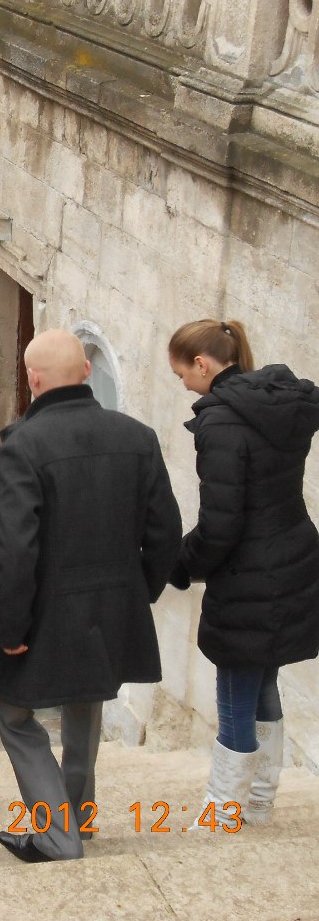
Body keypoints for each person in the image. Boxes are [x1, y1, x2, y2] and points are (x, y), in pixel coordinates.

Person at [0, 329, 181, 863]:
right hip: (112, 607)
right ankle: (77, 817)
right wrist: (138, 593)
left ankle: (58, 835)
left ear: (32, 380)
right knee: (86, 706)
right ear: (85, 371)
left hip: (46, 614)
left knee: (13, 716)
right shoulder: (139, 436)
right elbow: (166, 533)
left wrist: (10, 628)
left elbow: (16, 546)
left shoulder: (25, 445)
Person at [167, 320, 319, 826]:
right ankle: (258, 800)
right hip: (292, 559)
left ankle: (223, 810)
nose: (183, 384)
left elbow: (222, 524)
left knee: (235, 695)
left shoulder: (221, 423)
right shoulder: (281, 404)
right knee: (264, 682)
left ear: (202, 364)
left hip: (249, 574)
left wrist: (180, 565)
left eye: (182, 374)